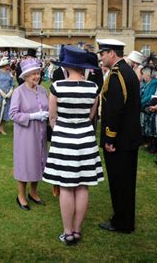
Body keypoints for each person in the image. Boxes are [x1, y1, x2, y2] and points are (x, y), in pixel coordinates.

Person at [43, 46, 103, 245]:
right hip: (86, 137)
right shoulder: (93, 88)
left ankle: (68, 232)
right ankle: (76, 231)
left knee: (67, 187)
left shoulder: (58, 86)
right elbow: (91, 115)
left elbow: (52, 116)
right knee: (83, 185)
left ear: (67, 65)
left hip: (63, 137)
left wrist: (61, 128)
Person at [97, 39, 141, 234]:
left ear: (112, 53)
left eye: (103, 54)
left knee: (120, 183)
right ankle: (125, 219)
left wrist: (109, 138)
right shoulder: (126, 71)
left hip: (120, 140)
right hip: (128, 138)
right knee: (126, 182)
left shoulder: (117, 75)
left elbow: (115, 110)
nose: (101, 57)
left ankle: (121, 222)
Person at [10, 58, 49, 211]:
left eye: (38, 73)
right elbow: (12, 114)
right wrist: (32, 116)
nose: (36, 76)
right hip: (25, 134)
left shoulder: (42, 90)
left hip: (41, 133)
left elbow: (47, 106)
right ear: (25, 76)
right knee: (25, 163)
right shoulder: (18, 92)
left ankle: (33, 192)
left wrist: (47, 114)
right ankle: (21, 195)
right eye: (33, 74)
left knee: (38, 161)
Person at [140, 67, 157, 151]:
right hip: (142, 107)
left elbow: (150, 96)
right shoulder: (145, 83)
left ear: (148, 75)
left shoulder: (154, 83)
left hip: (149, 107)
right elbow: (140, 93)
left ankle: (150, 144)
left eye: (143, 74)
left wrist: (139, 103)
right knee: (143, 125)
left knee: (149, 127)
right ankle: (145, 142)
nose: (142, 76)